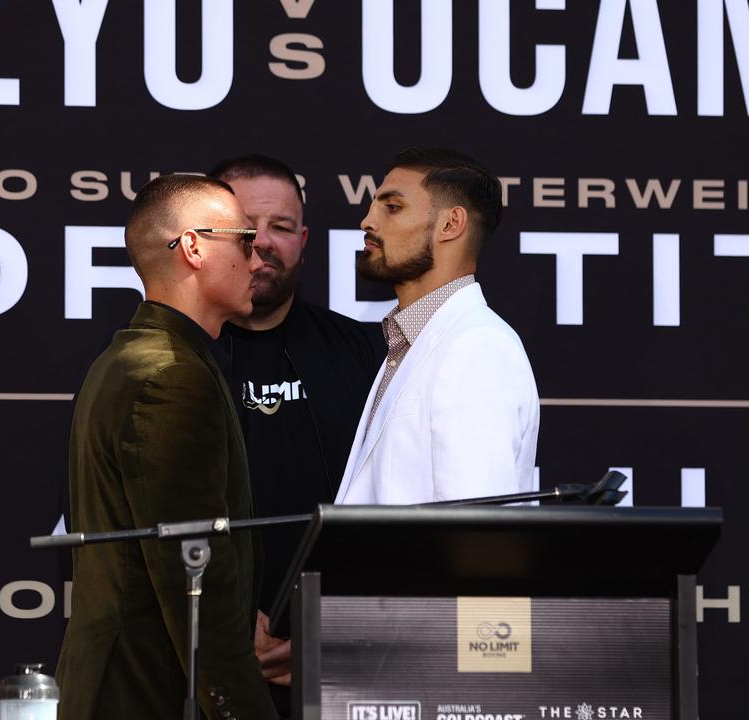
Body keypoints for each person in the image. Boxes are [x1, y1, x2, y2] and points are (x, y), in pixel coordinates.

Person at [57, 174, 278, 720]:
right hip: (146, 696)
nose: (259, 258)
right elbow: (195, 581)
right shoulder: (171, 376)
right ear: (195, 247)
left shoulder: (134, 358)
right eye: (245, 240)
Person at [207, 155, 384, 701]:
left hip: (339, 663)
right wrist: (226, 623)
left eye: (281, 228)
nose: (263, 242)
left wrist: (329, 627)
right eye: (245, 226)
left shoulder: (366, 354)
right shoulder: (163, 359)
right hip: (194, 664)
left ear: (303, 240)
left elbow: (392, 510)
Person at [334, 147, 540, 505]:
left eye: (392, 207)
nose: (367, 221)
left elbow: (479, 533)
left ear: (450, 224)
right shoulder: (411, 343)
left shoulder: (478, 347)